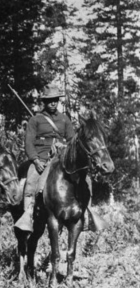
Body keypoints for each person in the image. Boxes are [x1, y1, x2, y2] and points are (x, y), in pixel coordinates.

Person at [15, 84, 103, 232]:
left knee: (86, 180)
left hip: (63, 158)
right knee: (31, 181)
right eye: (50, 100)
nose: (53, 103)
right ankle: (28, 214)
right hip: (42, 158)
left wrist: (62, 144)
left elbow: (72, 141)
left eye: (55, 100)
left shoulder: (64, 120)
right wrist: (35, 160)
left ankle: (87, 212)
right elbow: (28, 143)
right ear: (44, 102)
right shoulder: (35, 120)